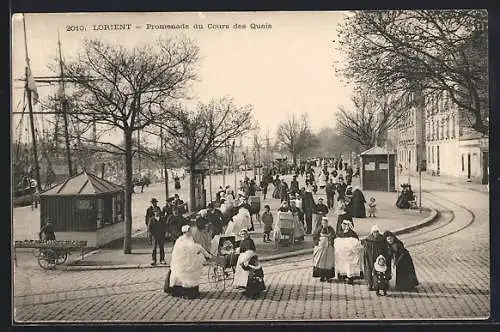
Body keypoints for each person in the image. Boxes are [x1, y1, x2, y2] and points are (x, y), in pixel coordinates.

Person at [166, 225, 211, 299]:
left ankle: (185, 290)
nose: (191, 232)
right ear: (186, 232)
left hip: (185, 261)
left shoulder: (184, 239)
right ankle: (186, 291)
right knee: (185, 276)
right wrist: (204, 253)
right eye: (189, 231)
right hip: (185, 262)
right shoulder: (183, 241)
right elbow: (193, 248)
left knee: (185, 275)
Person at [362, 225, 390, 291]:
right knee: (370, 269)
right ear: (372, 232)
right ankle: (370, 284)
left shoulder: (382, 239)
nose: (376, 233)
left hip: (380, 257)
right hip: (371, 257)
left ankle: (383, 284)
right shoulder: (368, 240)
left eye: (377, 232)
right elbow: (366, 249)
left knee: (381, 269)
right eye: (374, 232)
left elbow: (385, 248)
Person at [335, 219, 360, 285]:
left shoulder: (352, 234)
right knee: (341, 264)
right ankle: (342, 276)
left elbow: (356, 243)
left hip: (349, 254)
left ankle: (350, 278)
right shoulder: (340, 233)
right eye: (342, 225)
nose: (343, 226)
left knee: (349, 266)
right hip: (342, 254)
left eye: (344, 225)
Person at [312, 217, 335, 282]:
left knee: (328, 262)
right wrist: (317, 242)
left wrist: (331, 240)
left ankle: (328, 276)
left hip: (329, 248)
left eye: (325, 223)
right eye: (323, 223)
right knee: (320, 261)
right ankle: (321, 276)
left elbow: (333, 236)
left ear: (327, 223)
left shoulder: (330, 229)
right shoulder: (319, 229)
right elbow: (315, 236)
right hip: (321, 247)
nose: (324, 224)